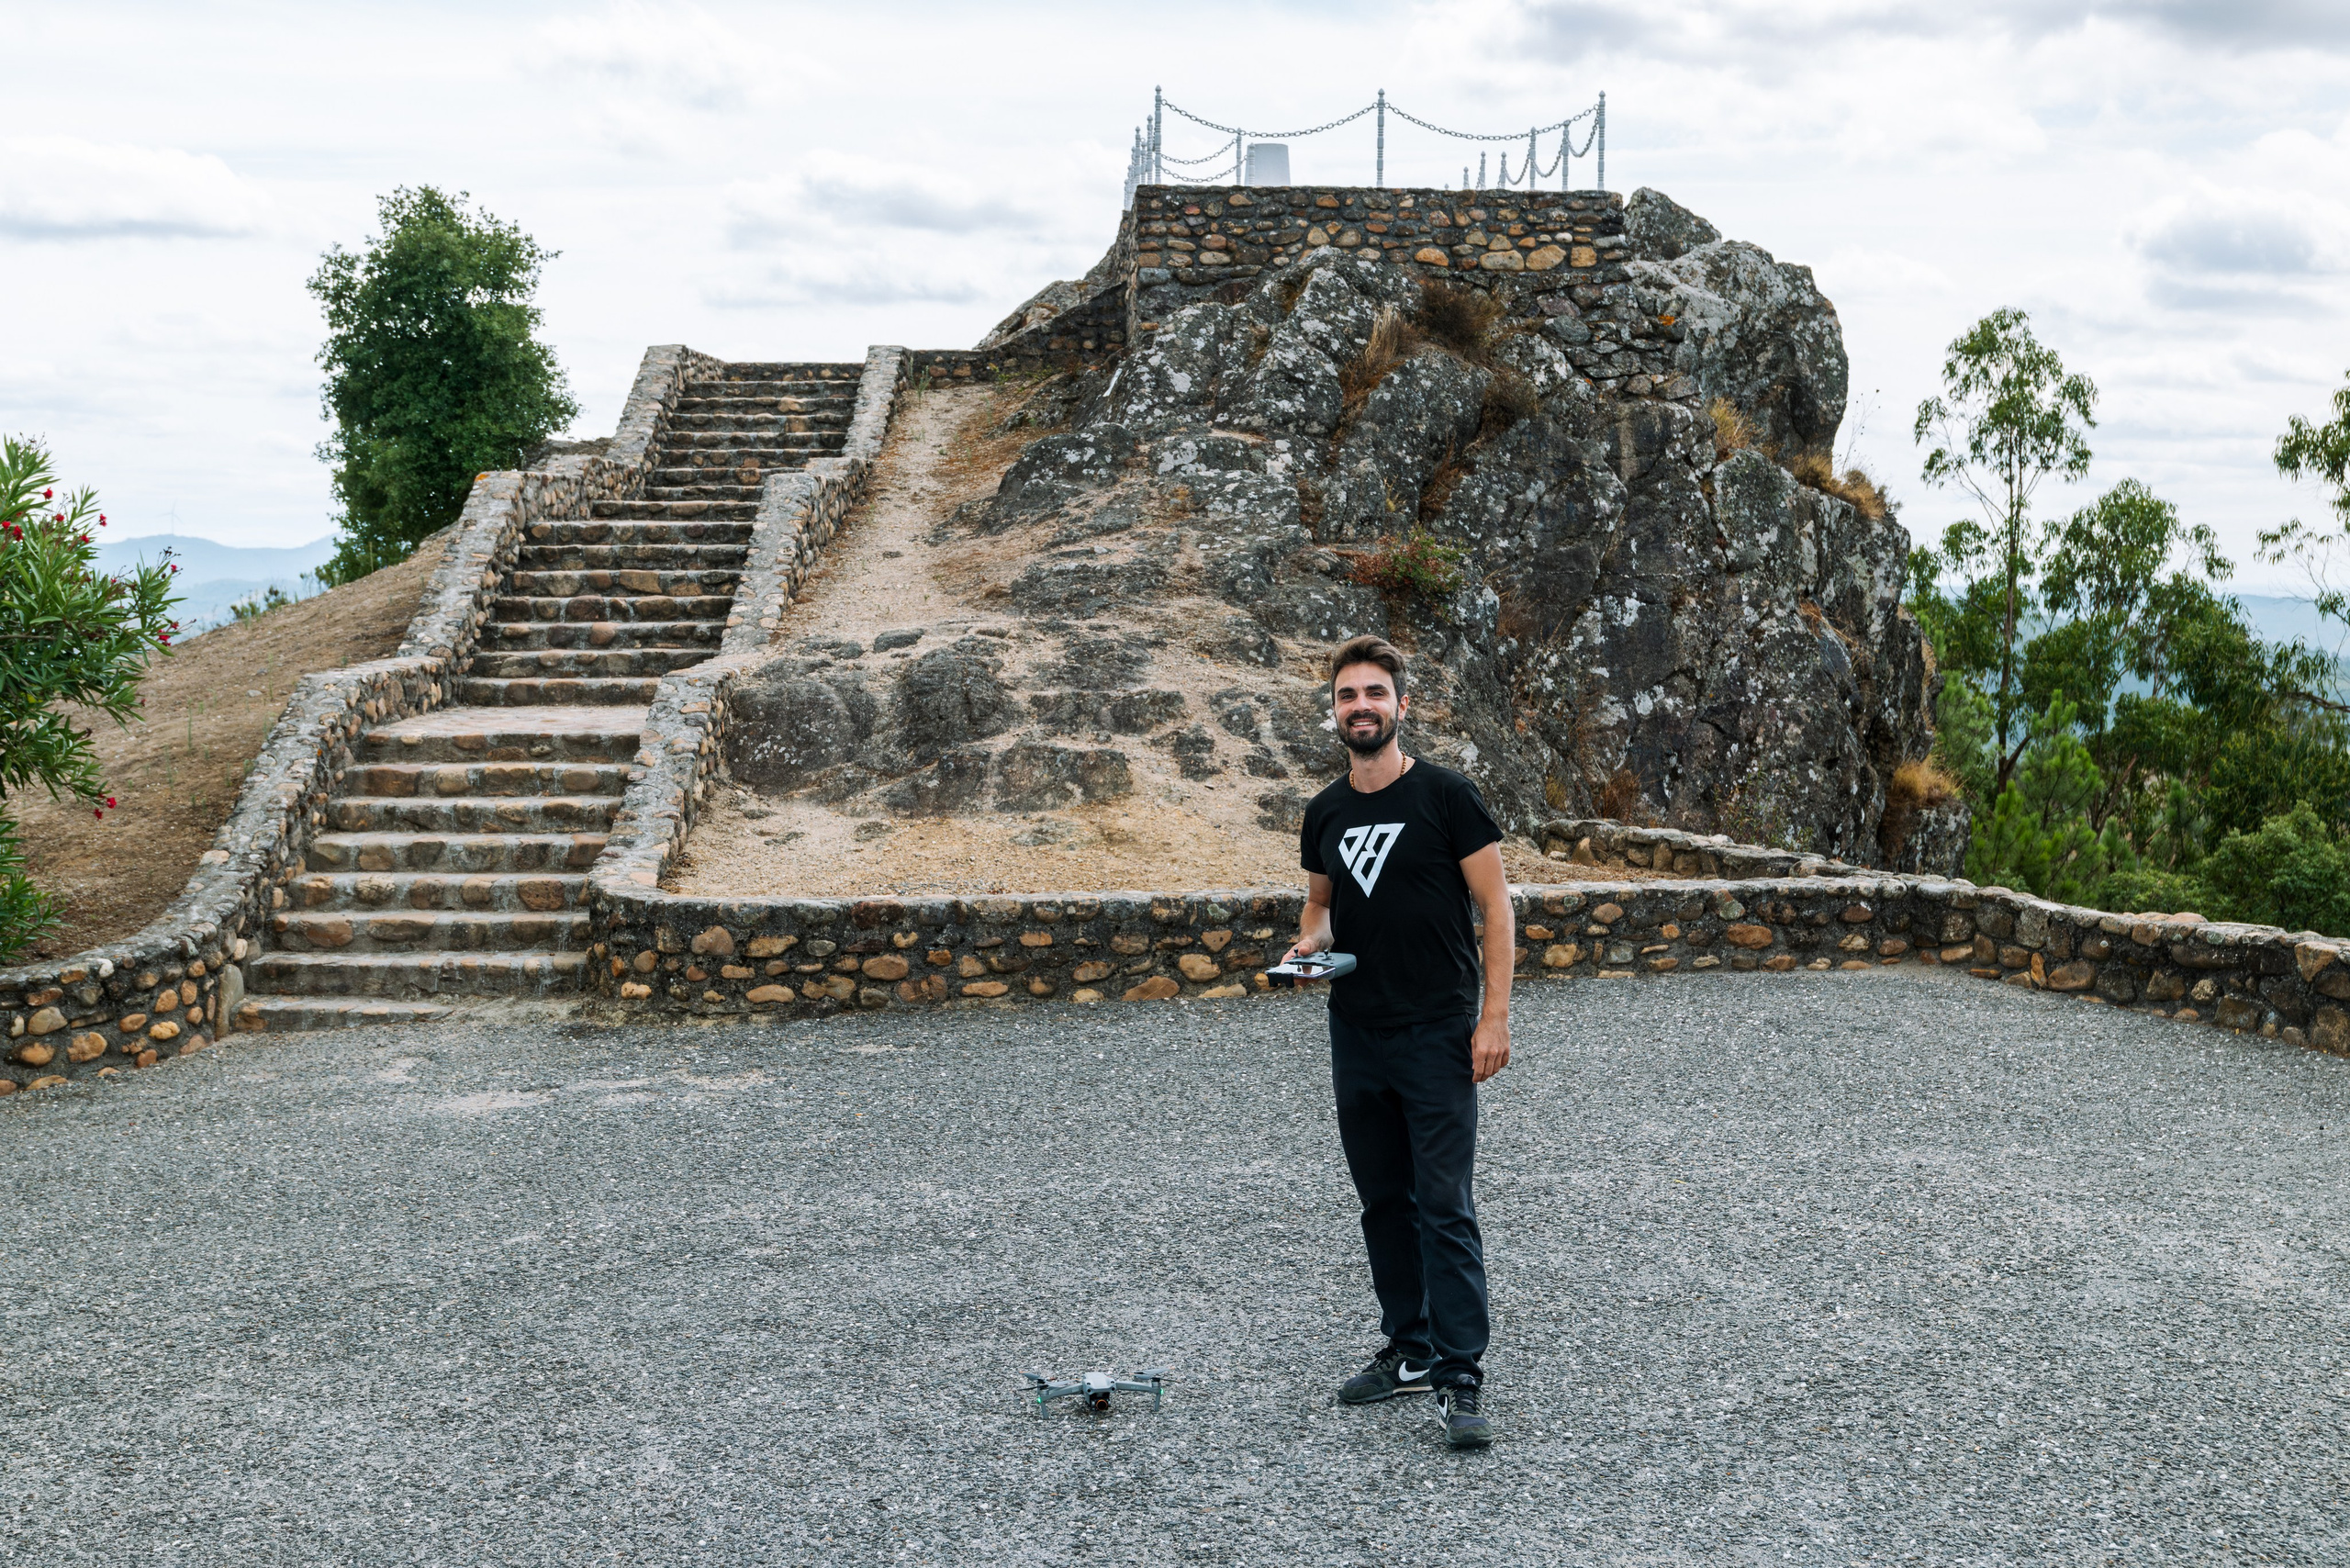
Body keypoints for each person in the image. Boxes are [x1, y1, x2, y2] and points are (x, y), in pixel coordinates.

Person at [1283, 633, 1515, 1450]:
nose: (1361, 708)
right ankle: (1410, 1349)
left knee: (1444, 1204)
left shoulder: (1449, 797)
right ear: (1334, 712)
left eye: (1375, 693)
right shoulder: (1326, 812)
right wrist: (1309, 945)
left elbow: (1497, 909)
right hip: (1356, 1032)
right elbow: (1318, 906)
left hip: (1438, 1032)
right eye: (1348, 696)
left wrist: (1493, 1018)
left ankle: (1459, 1374)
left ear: (1401, 705)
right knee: (1384, 1200)